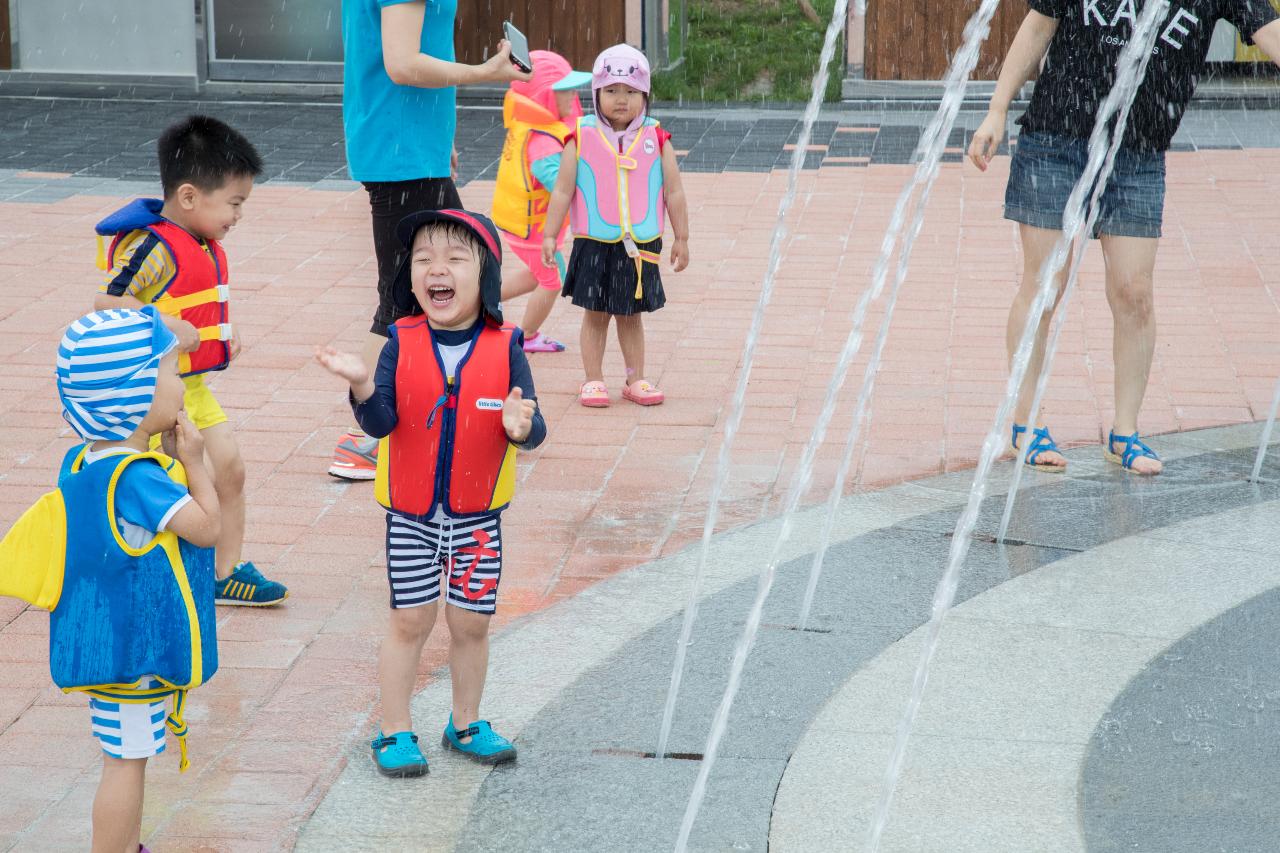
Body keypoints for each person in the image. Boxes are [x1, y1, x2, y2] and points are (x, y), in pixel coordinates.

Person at [969, 2, 1280, 475]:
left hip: (1138, 156)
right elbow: (1037, 26)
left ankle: (1125, 433)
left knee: (1134, 293)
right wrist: (996, 110)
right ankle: (1025, 424)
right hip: (1055, 141)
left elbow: (1269, 30)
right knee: (1044, 286)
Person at [316, 208, 546, 775]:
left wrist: (522, 427)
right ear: (410, 277)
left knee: (471, 623)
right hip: (413, 520)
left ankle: (465, 722)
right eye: (423, 259)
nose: (435, 270)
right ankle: (394, 730)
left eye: (453, 258)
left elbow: (532, 428)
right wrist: (364, 384)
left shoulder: (507, 344)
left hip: (477, 523)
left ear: (485, 276)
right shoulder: (400, 341)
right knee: (410, 621)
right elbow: (379, 423)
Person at [0, 306, 221, 852]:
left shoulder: (84, 461)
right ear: (137, 394)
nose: (180, 385)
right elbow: (208, 528)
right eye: (171, 374)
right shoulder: (141, 480)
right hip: (133, 656)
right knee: (125, 764)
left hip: (107, 650)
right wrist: (196, 463)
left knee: (126, 756)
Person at [330, 0, 531, 480]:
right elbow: (402, 63)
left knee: (454, 280)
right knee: (403, 299)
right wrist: (487, 71)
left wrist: (439, 142)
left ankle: (466, 412)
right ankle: (369, 438)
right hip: (403, 151)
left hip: (410, 146)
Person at [93, 115, 287, 606]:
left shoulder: (201, 240)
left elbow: (197, 300)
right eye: (234, 203)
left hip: (191, 388)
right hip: (154, 394)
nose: (238, 216)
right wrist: (165, 327)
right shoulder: (154, 247)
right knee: (162, 483)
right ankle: (153, 568)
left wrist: (225, 329)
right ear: (188, 197)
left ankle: (226, 571)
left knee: (230, 470)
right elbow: (106, 303)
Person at [541, 43, 691, 408]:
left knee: (630, 315)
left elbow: (674, 191)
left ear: (644, 95)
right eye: (611, 91)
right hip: (594, 241)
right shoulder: (581, 136)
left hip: (640, 244)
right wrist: (550, 234)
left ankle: (635, 378)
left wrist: (682, 237)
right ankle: (593, 379)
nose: (621, 100)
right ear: (596, 93)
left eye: (631, 92)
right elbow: (562, 191)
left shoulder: (657, 138)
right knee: (595, 314)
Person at [492, 49, 593, 354]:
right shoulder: (543, 141)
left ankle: (479, 299)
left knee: (537, 275)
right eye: (567, 90)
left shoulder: (539, 128)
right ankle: (528, 336)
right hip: (532, 229)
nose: (574, 96)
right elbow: (557, 180)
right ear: (547, 97)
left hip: (523, 226)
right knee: (552, 281)